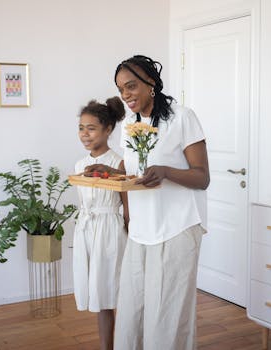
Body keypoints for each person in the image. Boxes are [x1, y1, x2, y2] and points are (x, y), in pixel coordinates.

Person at [85, 55, 210, 350]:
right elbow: (134, 174)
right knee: (133, 311)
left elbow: (202, 177)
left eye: (131, 86)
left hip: (177, 228)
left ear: (151, 83)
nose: (126, 95)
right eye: (120, 89)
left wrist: (166, 172)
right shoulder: (131, 124)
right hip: (141, 230)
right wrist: (108, 172)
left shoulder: (182, 117)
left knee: (166, 315)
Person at [73, 97, 128, 350]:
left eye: (92, 128)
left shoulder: (119, 163)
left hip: (110, 233)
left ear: (108, 129)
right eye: (81, 127)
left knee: (112, 292)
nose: (85, 134)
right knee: (98, 293)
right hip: (87, 229)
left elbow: (128, 207)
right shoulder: (80, 165)